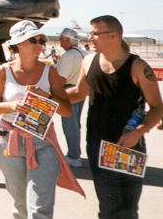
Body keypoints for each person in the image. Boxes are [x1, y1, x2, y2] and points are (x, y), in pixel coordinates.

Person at [0, 20, 84, 219]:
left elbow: (66, 111)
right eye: (32, 40)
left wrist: (47, 97)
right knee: (20, 205)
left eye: (41, 40)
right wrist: (12, 106)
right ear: (18, 44)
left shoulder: (50, 72)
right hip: (9, 142)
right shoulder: (4, 71)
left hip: (43, 142)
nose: (39, 45)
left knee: (39, 208)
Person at [65, 15, 163, 219]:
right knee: (109, 207)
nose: (89, 38)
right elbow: (78, 93)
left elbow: (157, 107)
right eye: (90, 33)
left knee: (128, 208)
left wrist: (138, 132)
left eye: (95, 34)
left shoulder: (138, 66)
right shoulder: (88, 61)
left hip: (130, 145)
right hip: (97, 144)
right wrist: (49, 96)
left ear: (114, 35)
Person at [54, 27, 86, 167]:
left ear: (67, 40)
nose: (59, 40)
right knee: (75, 124)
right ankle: (75, 153)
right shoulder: (82, 53)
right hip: (80, 91)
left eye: (61, 38)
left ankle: (74, 156)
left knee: (69, 125)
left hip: (69, 91)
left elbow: (62, 78)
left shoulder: (68, 55)